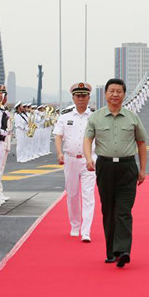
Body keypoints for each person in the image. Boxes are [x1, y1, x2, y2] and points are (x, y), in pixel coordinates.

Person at [84, 78, 148, 268]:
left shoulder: (132, 117)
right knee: (108, 210)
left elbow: (142, 143)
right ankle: (111, 251)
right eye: (111, 91)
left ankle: (123, 251)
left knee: (124, 210)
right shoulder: (95, 117)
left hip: (127, 167)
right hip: (105, 167)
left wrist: (143, 169)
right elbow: (88, 139)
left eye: (119, 91)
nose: (115, 94)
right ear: (105, 94)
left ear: (124, 94)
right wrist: (89, 158)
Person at [53, 82, 97, 242]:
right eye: (78, 96)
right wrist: (59, 153)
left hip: (89, 160)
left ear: (88, 97)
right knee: (72, 194)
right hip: (71, 159)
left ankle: (86, 230)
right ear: (73, 97)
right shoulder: (65, 116)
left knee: (88, 195)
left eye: (84, 96)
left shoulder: (94, 116)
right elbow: (58, 135)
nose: (81, 99)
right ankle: (75, 225)